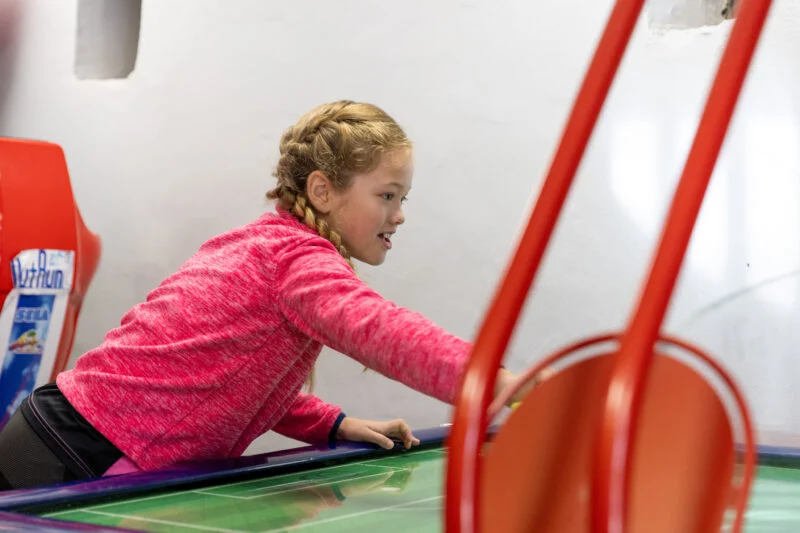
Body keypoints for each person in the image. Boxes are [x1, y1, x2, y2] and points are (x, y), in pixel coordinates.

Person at [0, 100, 526, 491]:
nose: (400, 213)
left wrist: (334, 424)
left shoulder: (266, 247)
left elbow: (238, 379)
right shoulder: (295, 262)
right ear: (322, 191)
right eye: (386, 196)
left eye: (403, 197)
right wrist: (491, 381)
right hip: (81, 450)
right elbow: (379, 330)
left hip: (62, 430)